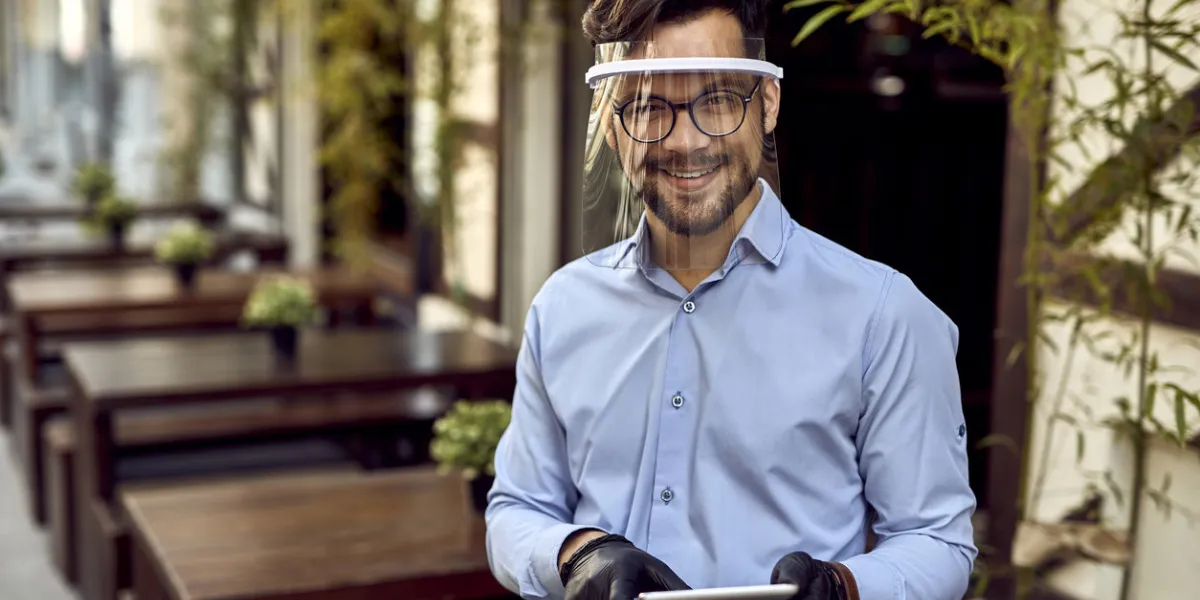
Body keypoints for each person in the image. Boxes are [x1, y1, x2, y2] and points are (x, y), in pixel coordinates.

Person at [484, 1, 978, 599]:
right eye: (647, 107)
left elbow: (938, 541)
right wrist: (578, 553)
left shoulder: (884, 315)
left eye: (716, 100)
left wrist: (843, 588)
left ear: (767, 105)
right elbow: (516, 508)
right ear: (611, 124)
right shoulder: (562, 308)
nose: (685, 142)